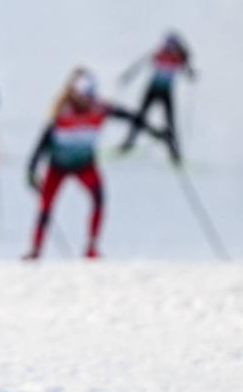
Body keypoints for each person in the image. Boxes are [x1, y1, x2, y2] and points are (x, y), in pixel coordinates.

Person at [23, 70, 165, 260]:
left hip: (84, 165)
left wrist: (155, 132)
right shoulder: (62, 113)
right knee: (45, 206)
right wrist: (31, 169)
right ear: (75, 93)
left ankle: (91, 247)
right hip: (58, 167)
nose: (88, 99)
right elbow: (42, 144)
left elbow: (130, 116)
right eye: (84, 95)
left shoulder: (99, 108)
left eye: (90, 95)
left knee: (98, 197)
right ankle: (35, 250)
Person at [118, 32, 196, 162]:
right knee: (140, 117)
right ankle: (128, 144)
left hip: (165, 93)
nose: (168, 48)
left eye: (171, 45)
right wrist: (127, 76)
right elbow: (139, 65)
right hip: (152, 90)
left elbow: (187, 65)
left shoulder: (177, 57)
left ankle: (175, 154)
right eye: (167, 45)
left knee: (169, 122)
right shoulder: (159, 54)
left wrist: (190, 72)